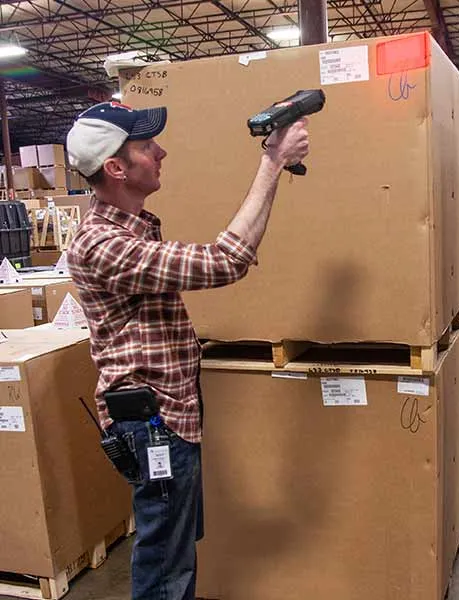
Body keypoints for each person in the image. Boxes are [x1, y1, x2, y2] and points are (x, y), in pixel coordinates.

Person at [66, 101, 309, 600]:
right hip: (153, 426)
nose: (161, 151)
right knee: (163, 562)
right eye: (145, 146)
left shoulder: (133, 229)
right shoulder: (102, 245)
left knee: (175, 549)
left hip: (168, 420)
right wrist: (272, 162)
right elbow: (227, 260)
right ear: (116, 168)